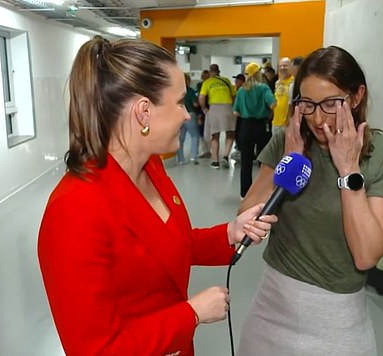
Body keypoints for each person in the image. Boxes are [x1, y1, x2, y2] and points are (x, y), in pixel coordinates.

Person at [37, 38, 277, 356]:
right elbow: (94, 349)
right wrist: (191, 314)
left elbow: (164, 244)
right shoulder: (73, 210)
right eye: (178, 102)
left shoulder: (150, 167)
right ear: (144, 112)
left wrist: (229, 233)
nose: (187, 115)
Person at [237, 46, 383, 355]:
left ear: (356, 97)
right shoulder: (289, 141)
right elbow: (247, 214)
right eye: (307, 104)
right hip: (272, 307)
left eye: (331, 103)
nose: (317, 118)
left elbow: (366, 255)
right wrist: (288, 161)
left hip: (338, 321)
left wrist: (348, 170)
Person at [232, 63, 275, 198]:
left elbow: (235, 112)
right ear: (258, 73)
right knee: (264, 162)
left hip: (245, 126)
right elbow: (273, 104)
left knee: (246, 162)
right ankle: (263, 192)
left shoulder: (241, 90)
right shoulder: (263, 88)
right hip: (261, 126)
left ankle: (244, 193)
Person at [199, 63, 236, 169]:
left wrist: (204, 109)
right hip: (227, 107)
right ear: (219, 71)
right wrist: (231, 107)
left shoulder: (207, 82)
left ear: (210, 72)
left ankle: (215, 161)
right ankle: (225, 156)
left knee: (215, 135)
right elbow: (233, 96)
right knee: (230, 133)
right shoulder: (227, 81)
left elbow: (201, 98)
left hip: (214, 108)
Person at [177, 72, 200, 165]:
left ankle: (180, 159)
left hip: (178, 116)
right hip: (190, 115)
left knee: (180, 138)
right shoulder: (189, 91)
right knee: (194, 136)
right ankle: (193, 157)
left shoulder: (175, 91)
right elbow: (195, 104)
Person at [271, 57, 293, 134]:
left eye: (285, 65)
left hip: (287, 124)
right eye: (280, 66)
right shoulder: (277, 83)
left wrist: (288, 121)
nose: (282, 68)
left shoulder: (293, 82)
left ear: (291, 67)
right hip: (276, 122)